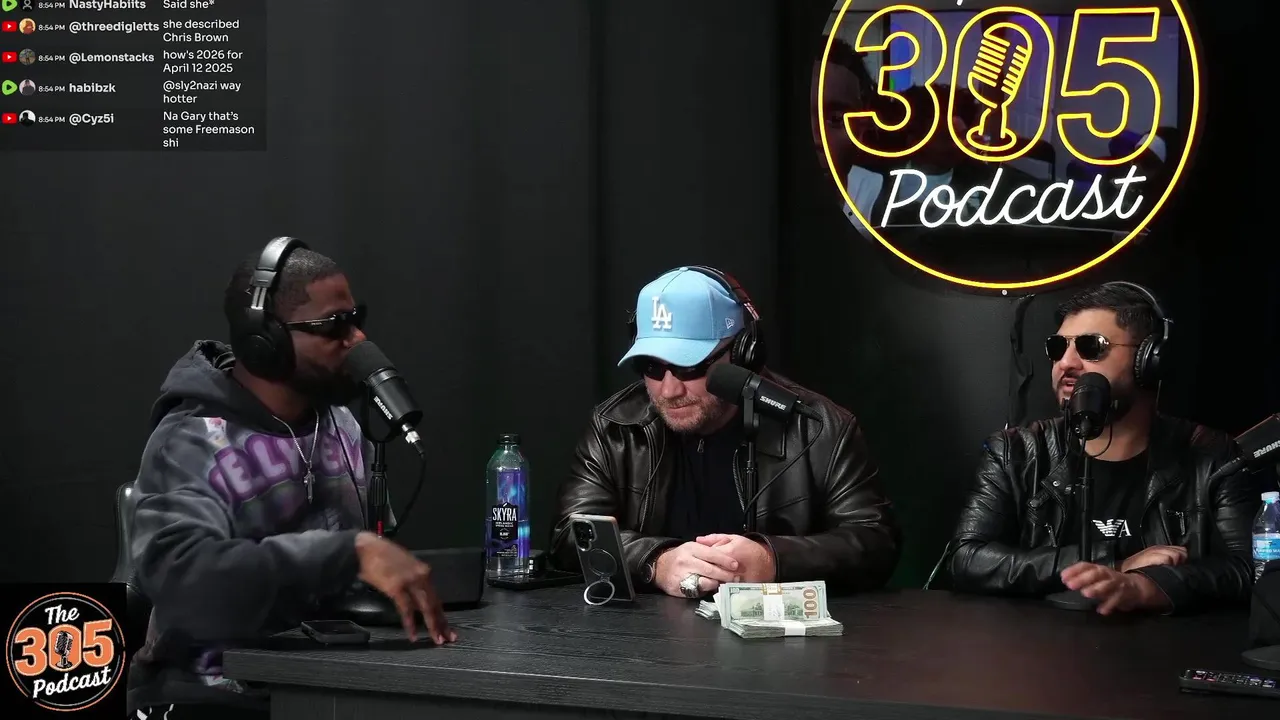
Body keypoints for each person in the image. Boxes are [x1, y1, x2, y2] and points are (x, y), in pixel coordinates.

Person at [127, 238, 456, 720]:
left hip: (325, 687)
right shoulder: (191, 441)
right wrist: (344, 554)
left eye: (356, 318)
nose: (357, 338)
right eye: (333, 325)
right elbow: (185, 583)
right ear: (265, 341)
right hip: (207, 698)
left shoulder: (342, 425)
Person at [550, 266, 900, 598]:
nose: (669, 390)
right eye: (651, 367)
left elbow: (875, 542)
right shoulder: (615, 427)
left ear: (743, 354)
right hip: (644, 636)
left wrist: (772, 560)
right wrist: (655, 562)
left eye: (689, 367)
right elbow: (570, 535)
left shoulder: (820, 428)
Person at [945, 281, 1263, 615]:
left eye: (1091, 347)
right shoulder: (1017, 452)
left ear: (1148, 360)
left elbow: (1253, 570)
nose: (1066, 363)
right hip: (1041, 642)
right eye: (1058, 347)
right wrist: (1115, 562)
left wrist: (1152, 586)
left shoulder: (1212, 455)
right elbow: (966, 559)